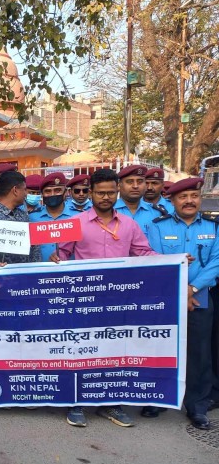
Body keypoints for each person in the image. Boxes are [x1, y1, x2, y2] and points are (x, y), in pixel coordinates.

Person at [52, 168, 156, 428]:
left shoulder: (130, 225)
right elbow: (62, 256)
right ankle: (76, 402)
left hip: (119, 300)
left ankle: (111, 404)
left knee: (114, 352)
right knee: (80, 350)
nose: (106, 197)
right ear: (91, 193)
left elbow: (143, 253)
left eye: (111, 192)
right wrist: (55, 260)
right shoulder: (74, 224)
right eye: (100, 193)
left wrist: (174, 262)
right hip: (84, 300)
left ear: (117, 191)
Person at [147, 178, 219, 430]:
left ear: (200, 198)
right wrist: (180, 290)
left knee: (200, 356)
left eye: (194, 196)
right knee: (161, 350)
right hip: (166, 298)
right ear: (172, 201)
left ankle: (197, 407)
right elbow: (156, 259)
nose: (189, 201)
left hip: (199, 299)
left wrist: (192, 288)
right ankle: (157, 399)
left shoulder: (214, 227)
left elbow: (216, 263)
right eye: (183, 197)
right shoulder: (157, 227)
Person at [0, 171, 41, 265]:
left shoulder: (22, 215)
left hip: (28, 275)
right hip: (4, 277)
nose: (26, 194)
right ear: (15, 190)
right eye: (24, 190)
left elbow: (33, 250)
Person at [29, 172, 76, 261]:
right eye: (47, 191)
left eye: (57, 190)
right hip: (39, 272)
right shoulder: (31, 218)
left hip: (71, 272)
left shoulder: (77, 217)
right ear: (42, 194)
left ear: (66, 192)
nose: (52, 194)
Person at [114, 165, 162, 235]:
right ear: (119, 185)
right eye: (130, 182)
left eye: (140, 182)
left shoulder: (157, 212)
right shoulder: (109, 210)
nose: (135, 186)